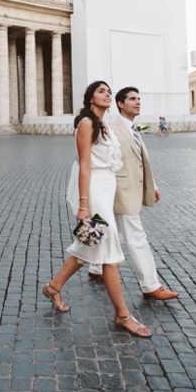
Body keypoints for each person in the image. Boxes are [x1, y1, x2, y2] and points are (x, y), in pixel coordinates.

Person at [42, 81, 152, 338]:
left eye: (109, 91)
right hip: (94, 193)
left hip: (106, 188)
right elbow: (84, 166)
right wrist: (83, 205)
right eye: (101, 91)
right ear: (90, 97)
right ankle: (122, 315)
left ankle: (54, 286)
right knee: (110, 254)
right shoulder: (87, 124)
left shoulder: (103, 125)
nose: (107, 94)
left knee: (87, 246)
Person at [87, 87, 180, 302]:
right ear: (121, 104)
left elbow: (139, 160)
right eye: (132, 99)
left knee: (102, 233)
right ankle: (150, 285)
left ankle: (90, 267)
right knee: (136, 237)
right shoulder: (112, 129)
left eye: (139, 98)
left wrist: (151, 185)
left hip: (124, 191)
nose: (138, 102)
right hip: (118, 191)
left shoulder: (132, 129)